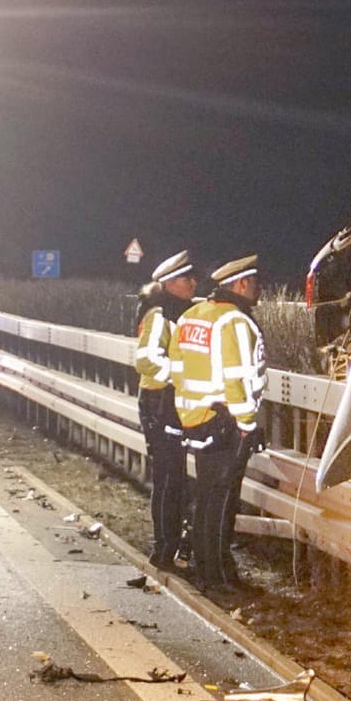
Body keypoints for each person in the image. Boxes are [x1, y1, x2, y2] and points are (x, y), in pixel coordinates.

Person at [169, 254, 265, 589]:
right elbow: (237, 379)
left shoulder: (192, 315)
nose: (258, 290)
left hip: (196, 419)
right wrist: (248, 424)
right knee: (223, 500)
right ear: (241, 284)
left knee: (207, 494)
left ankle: (203, 566)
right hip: (226, 422)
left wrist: (189, 412)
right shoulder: (235, 322)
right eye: (254, 283)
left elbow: (178, 369)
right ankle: (219, 574)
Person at [133, 250, 197, 567]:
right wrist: (178, 375)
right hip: (159, 404)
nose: (194, 283)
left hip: (171, 404)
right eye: (188, 279)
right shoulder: (160, 316)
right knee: (168, 478)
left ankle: (173, 545)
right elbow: (145, 359)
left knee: (176, 478)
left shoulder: (181, 312)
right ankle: (163, 548)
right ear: (171, 282)